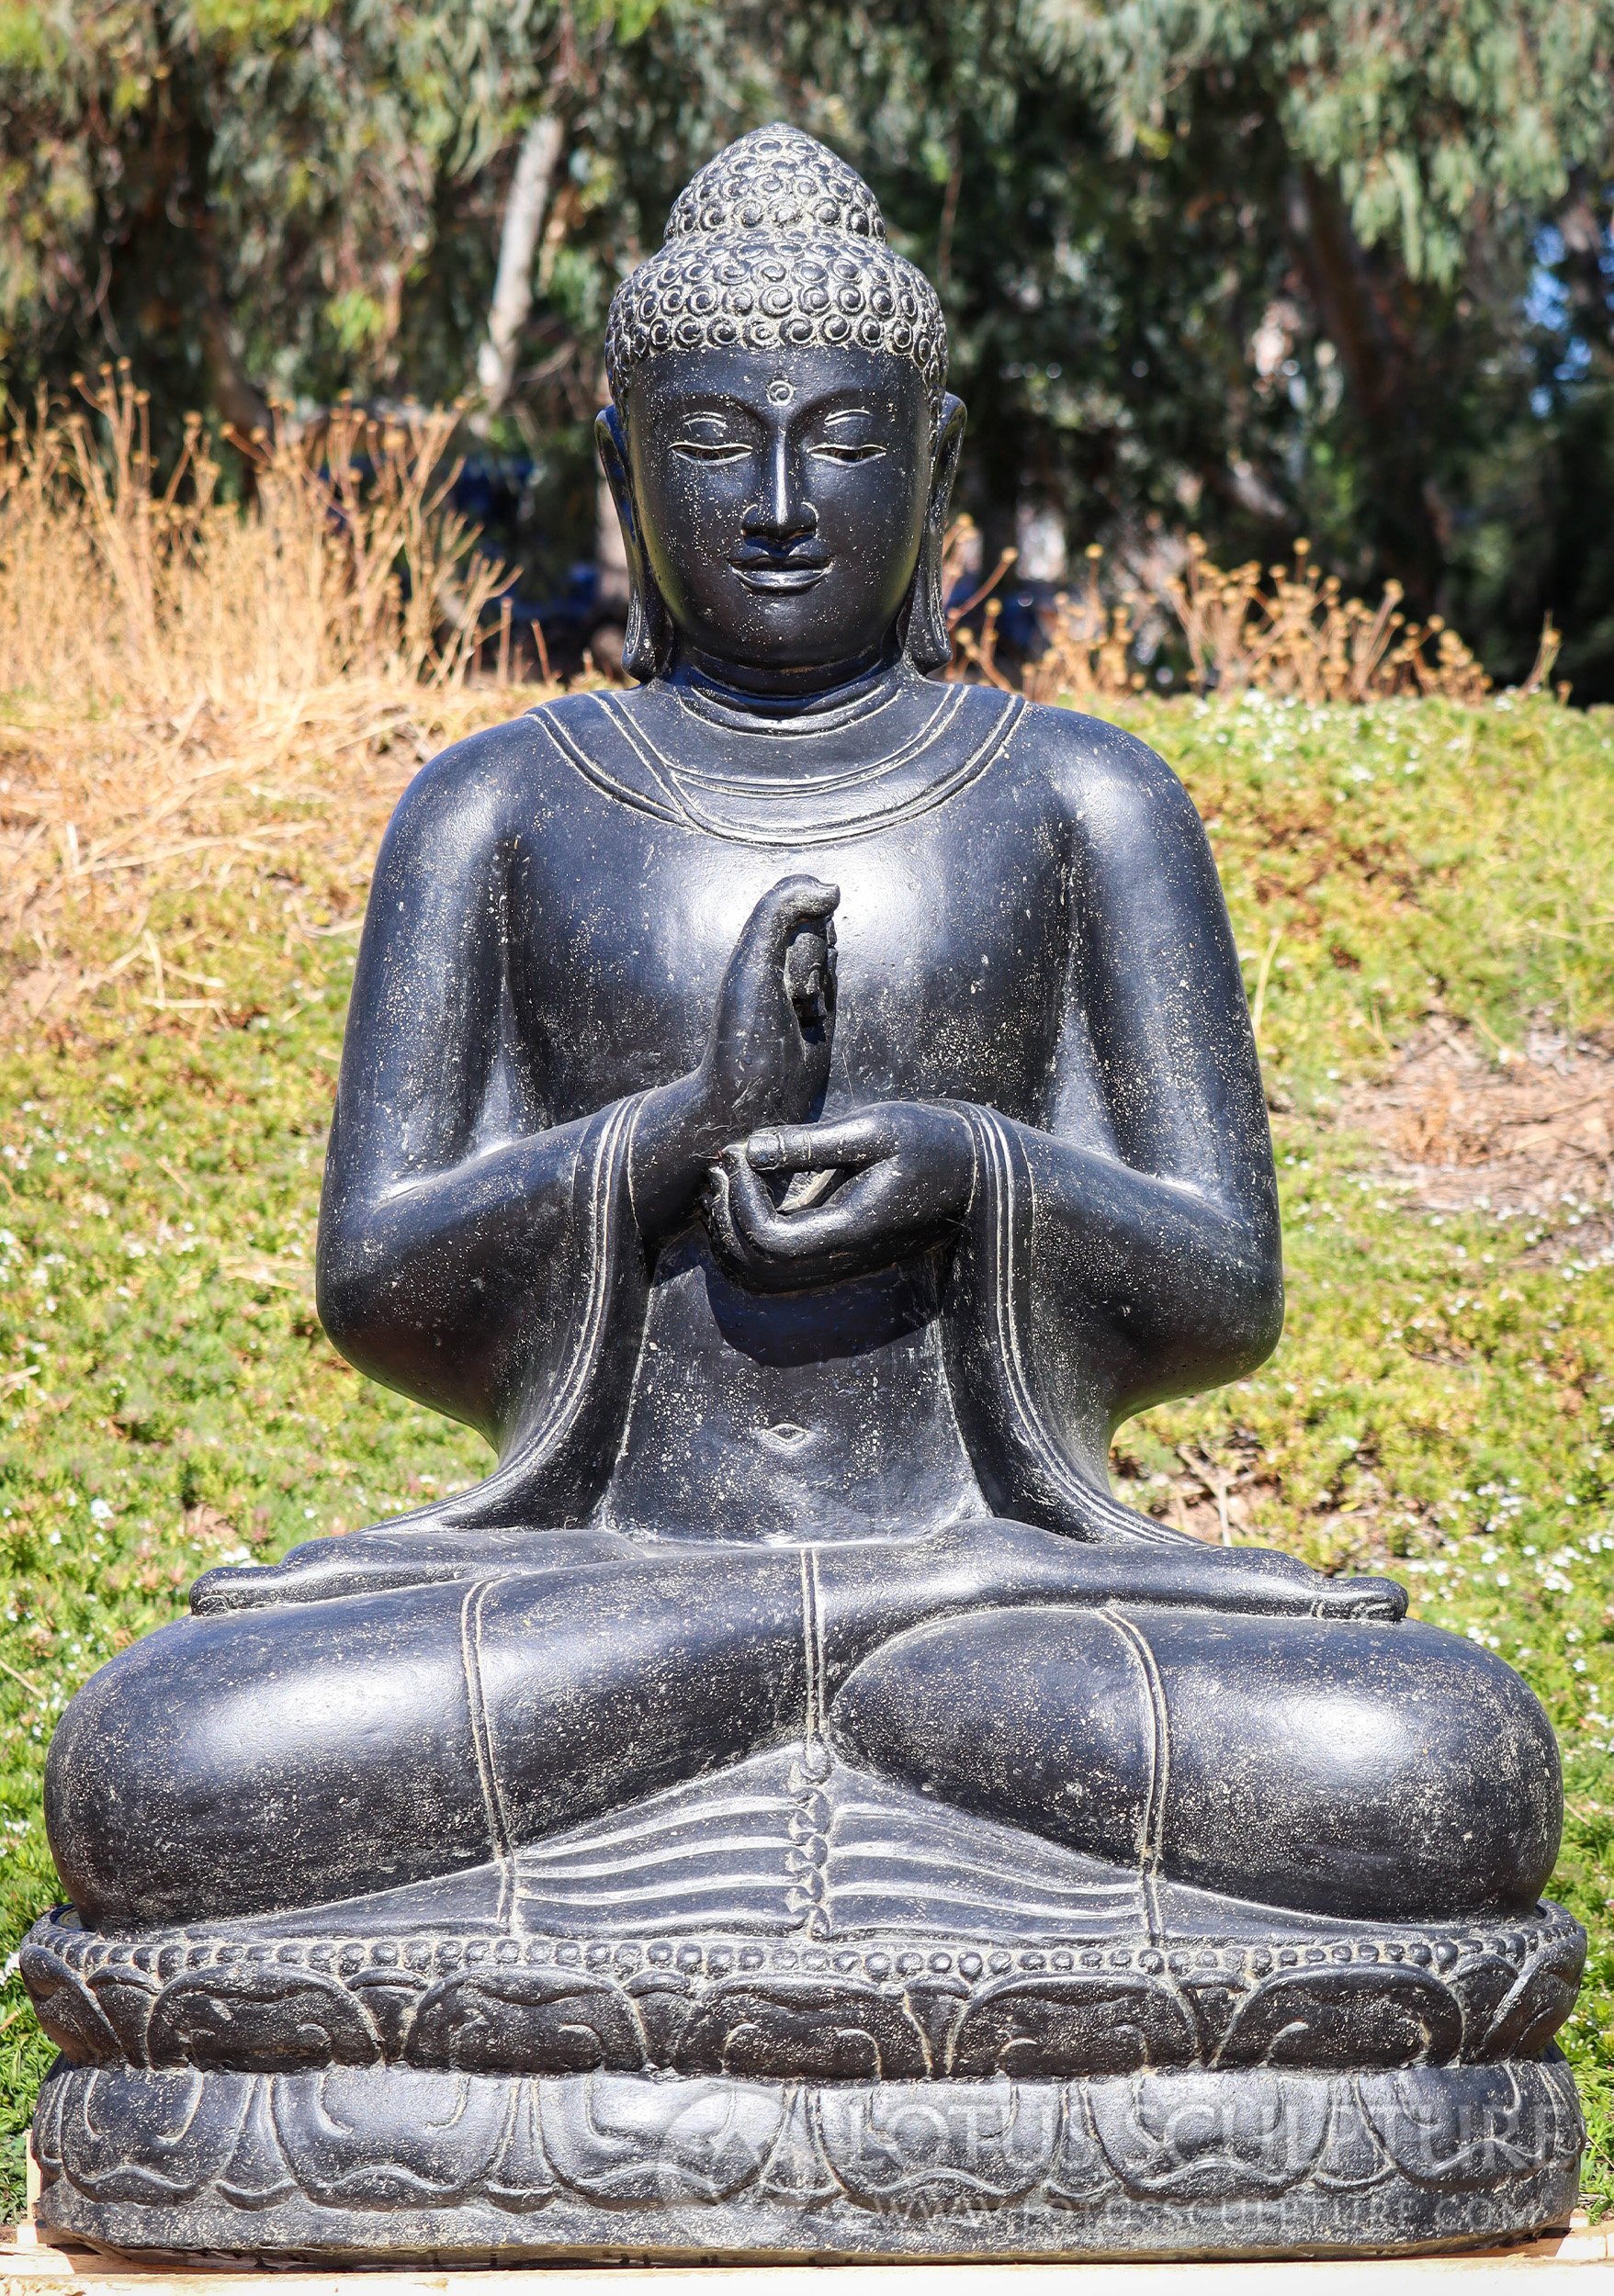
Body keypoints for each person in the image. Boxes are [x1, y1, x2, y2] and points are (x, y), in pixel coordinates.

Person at [45, 127, 1558, 1942]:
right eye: (709, 438)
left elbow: (1228, 1278)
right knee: (156, 1765)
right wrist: (673, 1129)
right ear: (620, 459)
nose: (777, 499)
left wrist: (967, 1166)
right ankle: (857, 1773)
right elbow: (378, 1272)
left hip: (989, 1588)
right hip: (620, 1584)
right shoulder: (493, 809)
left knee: (1439, 1763)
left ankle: (748, 1789)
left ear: (937, 459)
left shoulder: (1083, 798)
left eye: (843, 436)